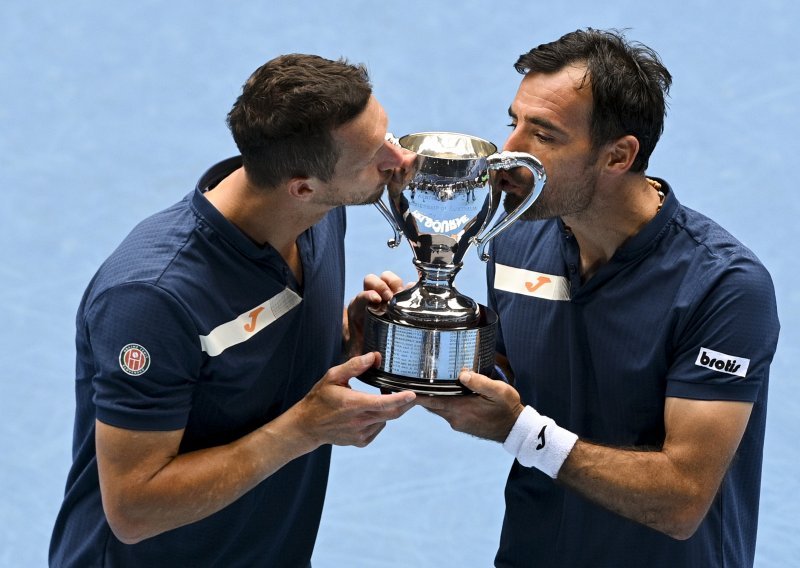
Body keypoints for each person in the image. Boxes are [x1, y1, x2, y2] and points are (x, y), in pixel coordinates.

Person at [412, 29, 780, 567]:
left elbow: (681, 500)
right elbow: (519, 372)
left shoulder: (724, 287)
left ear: (618, 156)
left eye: (544, 136)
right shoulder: (513, 238)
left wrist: (520, 431)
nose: (509, 153)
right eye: (512, 123)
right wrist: (428, 332)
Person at [49, 54, 418, 567]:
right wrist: (305, 430)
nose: (399, 160)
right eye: (373, 155)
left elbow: (245, 369)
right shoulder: (152, 299)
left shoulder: (320, 216)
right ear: (303, 186)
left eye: (390, 134)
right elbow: (133, 511)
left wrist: (345, 337)